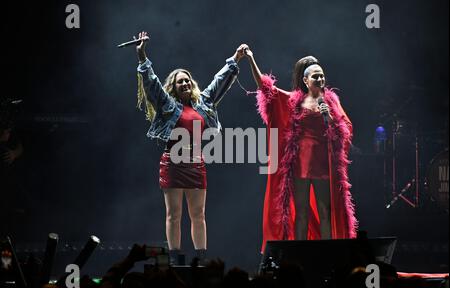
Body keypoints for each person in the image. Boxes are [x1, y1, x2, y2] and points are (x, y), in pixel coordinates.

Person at [134, 31, 247, 263]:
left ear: (192, 83)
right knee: (173, 215)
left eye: (187, 80)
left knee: (198, 214)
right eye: (180, 81)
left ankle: (201, 258)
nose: (184, 83)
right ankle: (176, 258)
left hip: (196, 162)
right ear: (174, 87)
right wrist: (142, 55)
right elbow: (151, 83)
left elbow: (220, 81)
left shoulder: (203, 103)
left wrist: (235, 59)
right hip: (173, 162)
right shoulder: (167, 104)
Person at [244, 47, 358, 252]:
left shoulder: (331, 102)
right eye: (316, 76)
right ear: (306, 80)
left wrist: (330, 118)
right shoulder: (293, 101)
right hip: (300, 164)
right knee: (302, 211)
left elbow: (345, 130)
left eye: (323, 76)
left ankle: (327, 254)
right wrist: (251, 59)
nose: (321, 80)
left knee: (325, 210)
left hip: (323, 164)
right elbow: (266, 88)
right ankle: (300, 254)